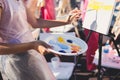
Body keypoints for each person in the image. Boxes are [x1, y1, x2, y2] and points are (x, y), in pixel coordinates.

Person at [0, 0, 80, 80]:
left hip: (31, 54)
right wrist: (32, 45)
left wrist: (66, 21)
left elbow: (35, 22)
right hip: (15, 62)